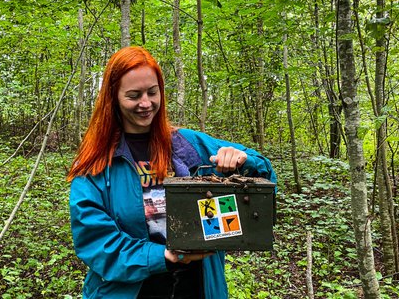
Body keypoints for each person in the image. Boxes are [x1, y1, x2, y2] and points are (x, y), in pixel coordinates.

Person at [67, 46, 276, 299]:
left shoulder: (187, 145)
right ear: (113, 98)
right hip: (128, 291)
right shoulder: (97, 163)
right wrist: (163, 256)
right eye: (134, 95)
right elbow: (96, 242)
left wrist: (243, 162)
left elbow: (265, 177)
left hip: (198, 286)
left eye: (152, 92)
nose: (146, 103)